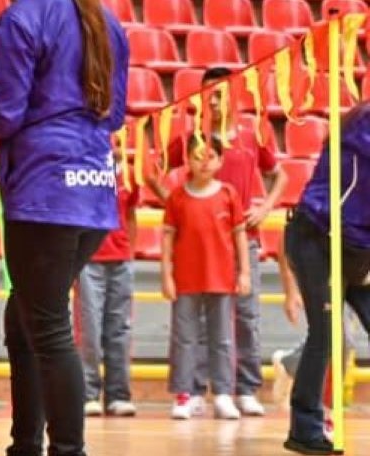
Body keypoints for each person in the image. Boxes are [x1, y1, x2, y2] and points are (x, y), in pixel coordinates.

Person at [0, 0, 128, 451]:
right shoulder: (107, 20)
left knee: (47, 327)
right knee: (25, 316)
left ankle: (66, 450)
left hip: (45, 192)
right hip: (95, 190)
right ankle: (24, 445)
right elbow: (115, 115)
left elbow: (5, 114)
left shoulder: (21, 19)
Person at [149, 68, 289, 417]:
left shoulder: (253, 135)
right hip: (197, 247)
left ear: (235, 94)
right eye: (207, 95)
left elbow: (280, 176)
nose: (213, 101)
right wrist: (175, 204)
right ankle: (194, 390)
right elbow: (152, 170)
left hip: (243, 242)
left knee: (246, 317)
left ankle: (245, 389)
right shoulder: (193, 139)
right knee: (193, 321)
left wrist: (266, 206)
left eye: (220, 94)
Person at [280, 102, 370, 455]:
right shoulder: (362, 124)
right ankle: (305, 429)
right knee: (326, 334)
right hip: (319, 237)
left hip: (357, 249)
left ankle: (291, 367)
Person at [161, 137, 249, 421]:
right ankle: (184, 393)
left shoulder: (228, 194)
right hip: (185, 279)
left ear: (221, 161)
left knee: (222, 338)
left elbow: (240, 236)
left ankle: (223, 393)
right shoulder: (177, 197)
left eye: (210, 156)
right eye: (198, 156)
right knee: (184, 339)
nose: (204, 163)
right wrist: (166, 275)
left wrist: (244, 272)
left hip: (221, 278)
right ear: (188, 160)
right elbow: (167, 238)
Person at [74, 149, 140, 418]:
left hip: (121, 259)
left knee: (120, 329)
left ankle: (118, 394)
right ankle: (88, 393)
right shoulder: (81, 170)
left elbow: (131, 214)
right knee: (89, 328)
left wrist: (129, 251)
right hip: (89, 260)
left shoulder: (129, 174)